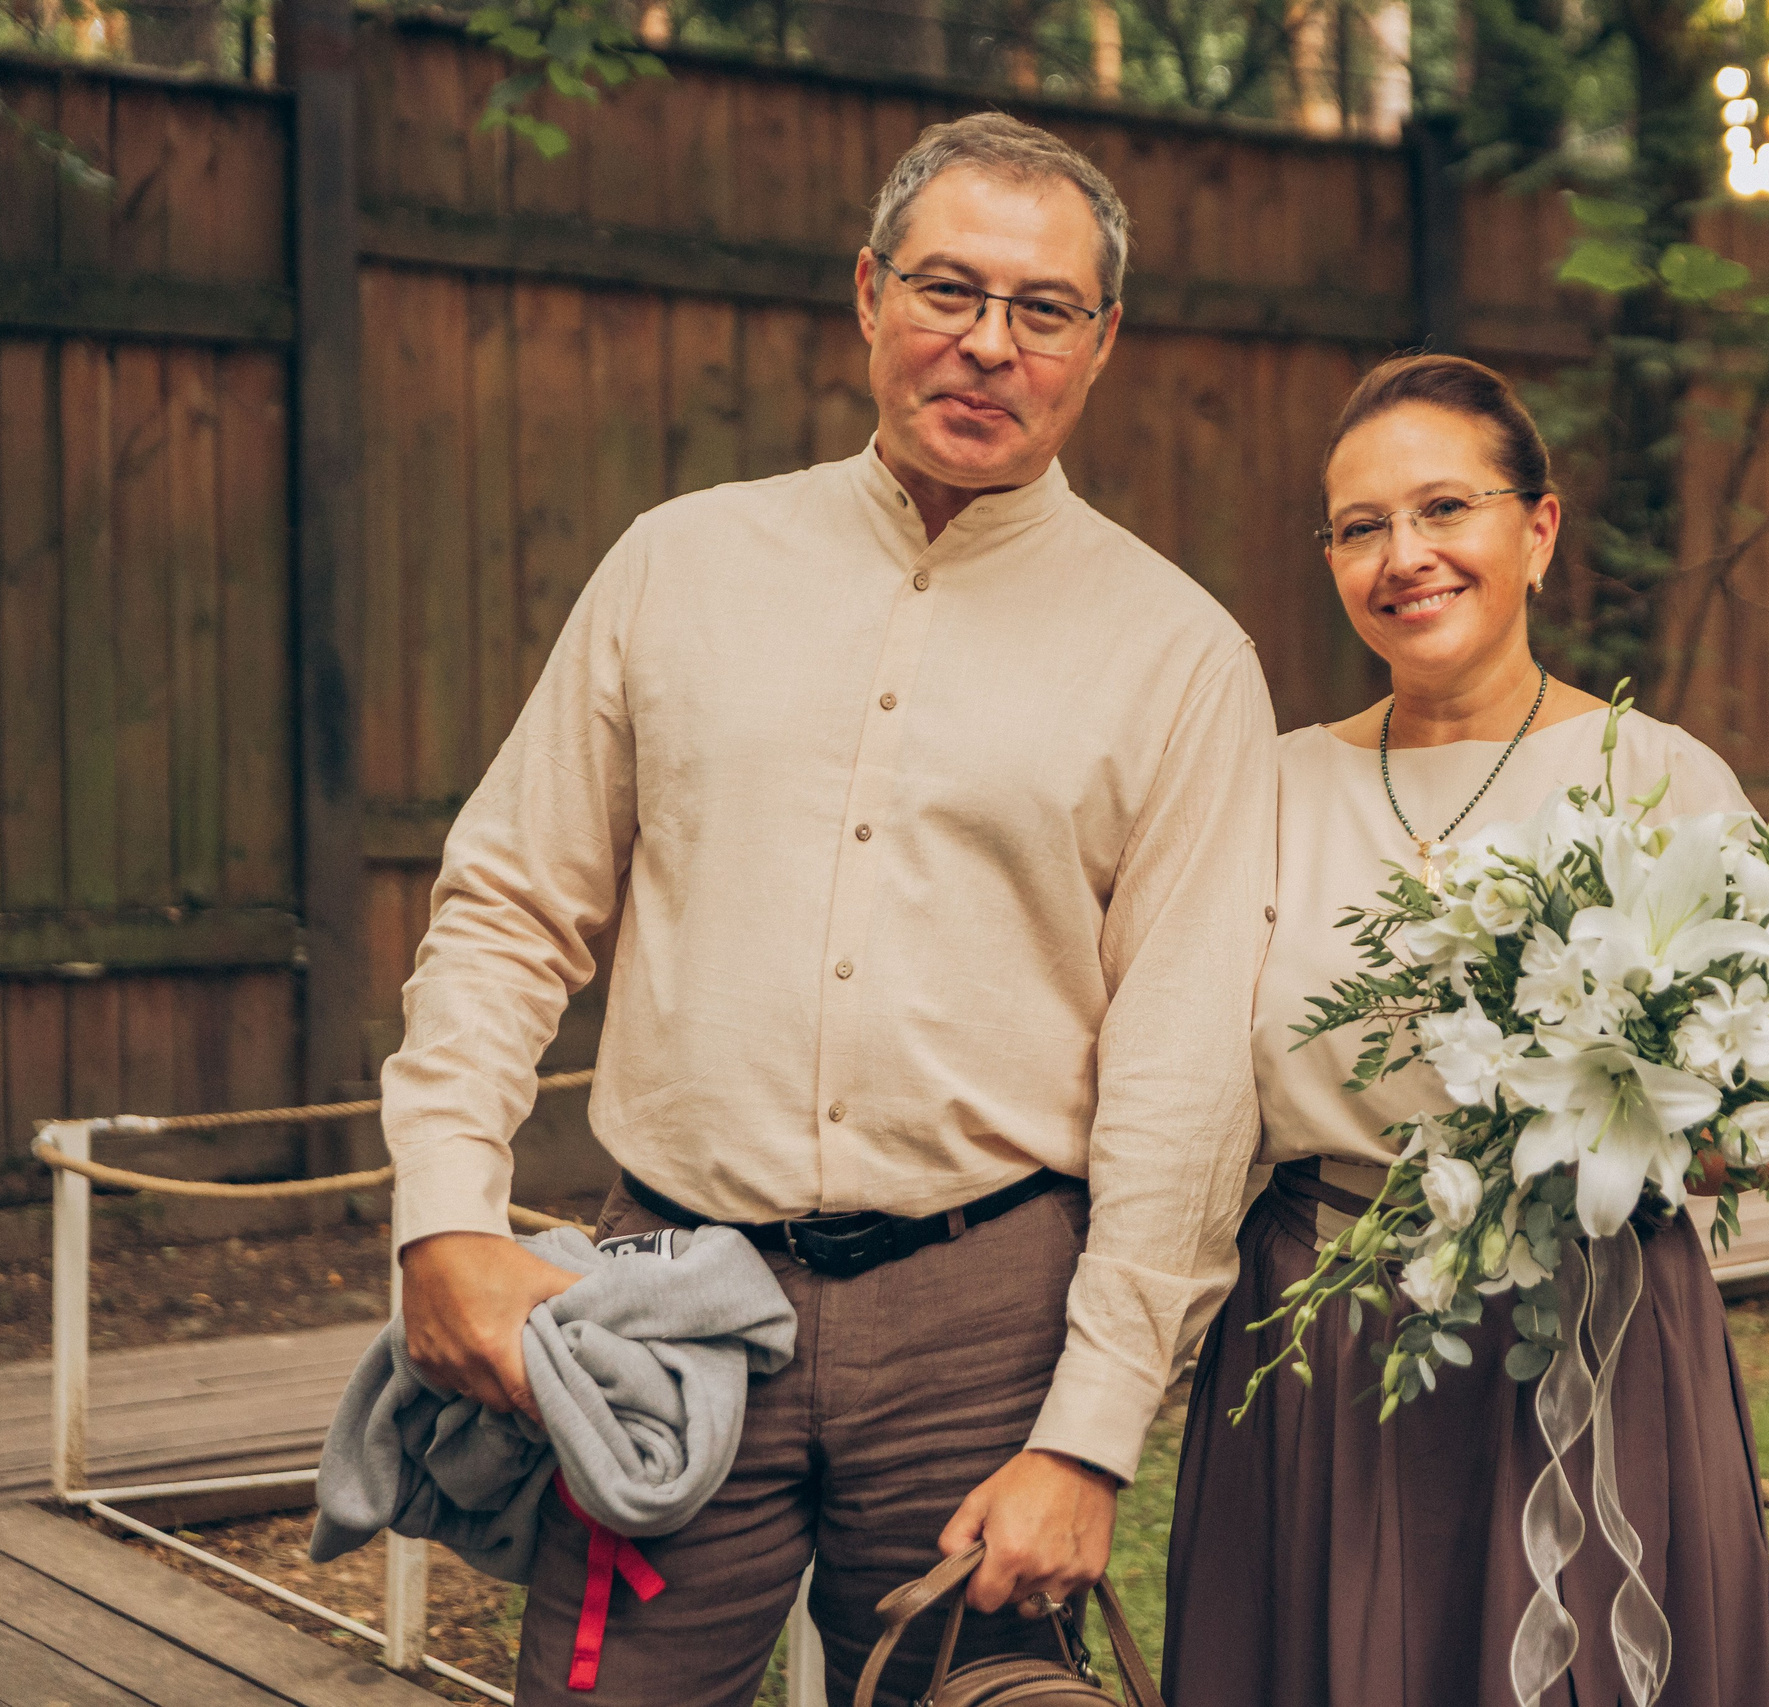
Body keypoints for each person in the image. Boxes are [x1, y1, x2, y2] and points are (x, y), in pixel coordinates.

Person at [380, 113, 1278, 1706]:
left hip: (988, 1324)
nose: (987, 344)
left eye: (1042, 308)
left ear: (1102, 341)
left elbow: (1187, 1068)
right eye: (947, 289)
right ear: (868, 294)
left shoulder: (1180, 654)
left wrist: (1091, 1430)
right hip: (666, 1304)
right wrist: (447, 1207)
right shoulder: (680, 565)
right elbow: (511, 903)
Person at [1162, 354, 1769, 1706]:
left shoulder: (1659, 776)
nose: (1406, 557)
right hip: (1319, 1336)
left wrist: (1674, 1113)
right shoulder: (1268, 786)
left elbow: (1762, 1117)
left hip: (1592, 1329)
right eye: (1361, 527)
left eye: (1446, 509)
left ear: (1538, 527)